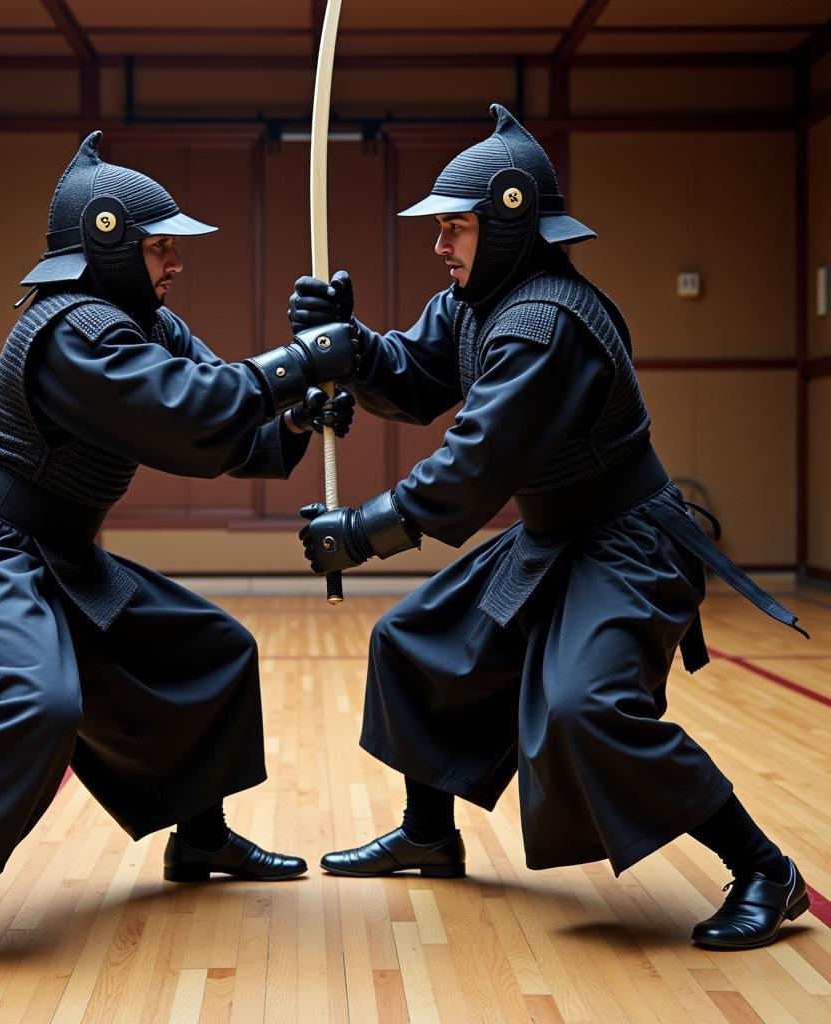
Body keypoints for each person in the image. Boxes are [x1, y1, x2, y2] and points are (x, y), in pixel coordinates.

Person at [0, 132, 357, 973]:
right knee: (33, 702)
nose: (175, 262)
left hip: (60, 557)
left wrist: (292, 414)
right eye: (158, 247)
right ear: (104, 243)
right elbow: (187, 413)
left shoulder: (148, 322)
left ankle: (200, 838)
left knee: (210, 648)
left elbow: (222, 427)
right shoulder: (73, 329)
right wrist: (299, 362)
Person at [292, 104, 810, 950]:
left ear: (506, 223)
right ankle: (429, 834)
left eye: (454, 228)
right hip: (552, 540)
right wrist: (343, 346)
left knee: (584, 709)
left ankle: (764, 868)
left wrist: (359, 531)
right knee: (414, 643)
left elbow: (470, 467)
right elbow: (416, 377)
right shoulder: (477, 301)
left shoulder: (545, 321)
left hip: (627, 546)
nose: (440, 246)